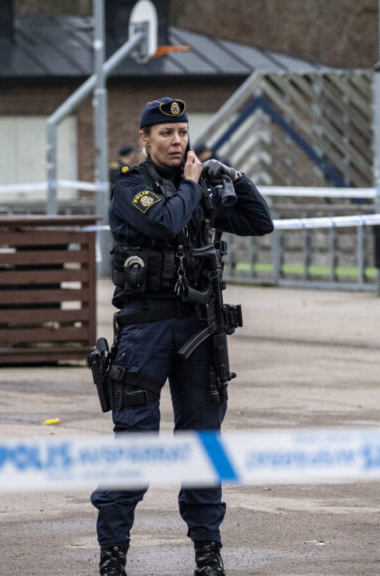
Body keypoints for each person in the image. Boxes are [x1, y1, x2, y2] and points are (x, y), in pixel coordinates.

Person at [91, 97, 273, 576]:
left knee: (201, 444)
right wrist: (192, 184)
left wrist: (234, 177)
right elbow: (166, 220)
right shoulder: (131, 186)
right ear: (145, 139)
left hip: (199, 330)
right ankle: (113, 555)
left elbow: (260, 222)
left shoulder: (200, 187)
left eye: (183, 133)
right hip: (145, 330)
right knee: (135, 442)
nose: (177, 141)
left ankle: (207, 553)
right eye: (167, 133)